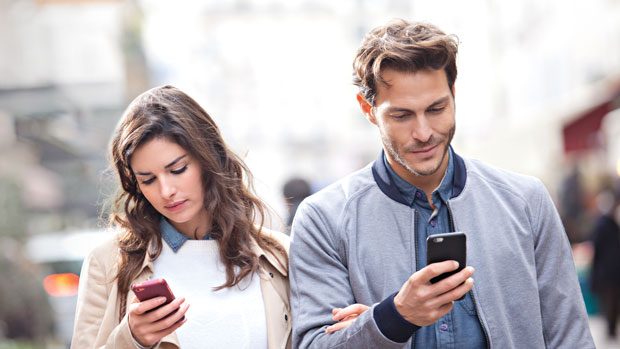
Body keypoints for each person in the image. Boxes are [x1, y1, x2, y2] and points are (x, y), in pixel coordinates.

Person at [289, 19, 595, 348]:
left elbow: (571, 338)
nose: (424, 133)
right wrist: (394, 316)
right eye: (402, 115)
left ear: (454, 94)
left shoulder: (525, 201)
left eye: (436, 108)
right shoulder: (324, 219)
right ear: (368, 110)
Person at [71, 85, 291, 348]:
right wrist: (133, 339)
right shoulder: (107, 262)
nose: (166, 191)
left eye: (177, 169)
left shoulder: (281, 255)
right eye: (148, 179)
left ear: (209, 158)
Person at [590, 188, 620, 340]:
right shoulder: (605, 225)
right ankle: (610, 330)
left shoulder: (609, 225)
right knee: (610, 302)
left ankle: (611, 330)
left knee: (612, 302)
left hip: (610, 270)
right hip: (609, 271)